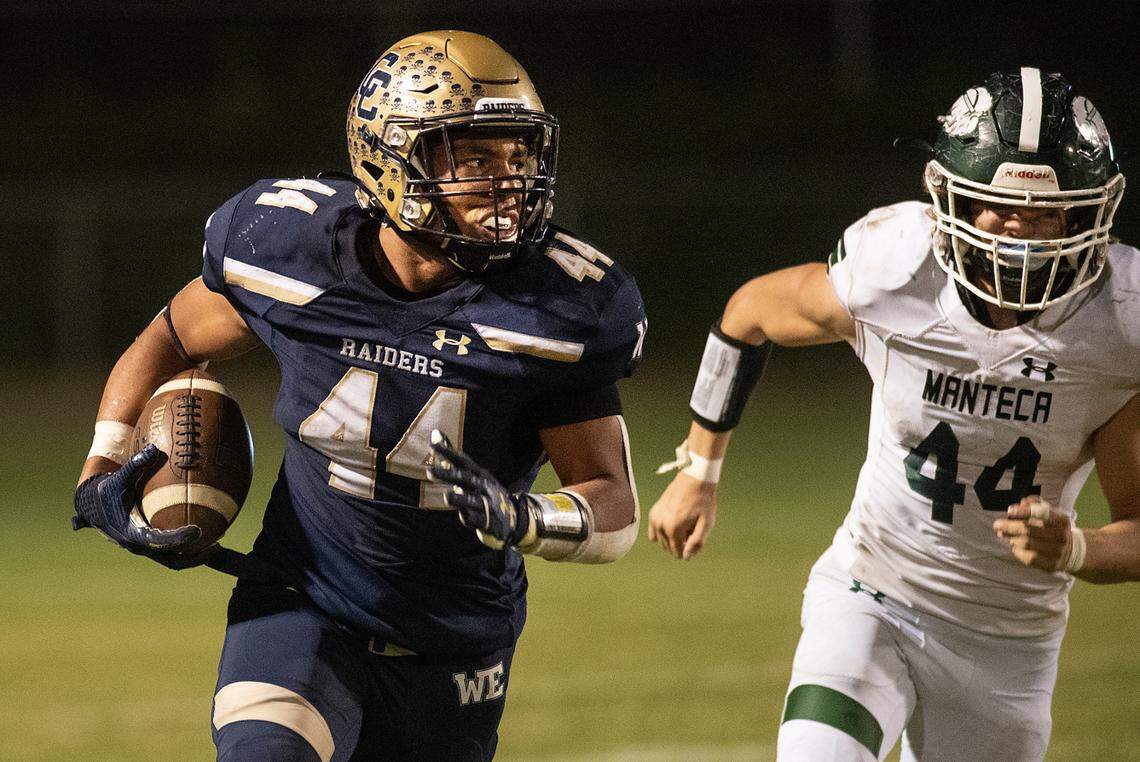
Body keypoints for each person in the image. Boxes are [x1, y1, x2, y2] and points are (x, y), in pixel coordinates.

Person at [72, 30, 646, 761]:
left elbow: (613, 504)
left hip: (457, 644)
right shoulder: (288, 248)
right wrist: (103, 466)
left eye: (518, 154)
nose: (507, 182)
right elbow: (173, 337)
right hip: (299, 606)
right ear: (391, 157)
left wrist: (523, 517)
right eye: (473, 156)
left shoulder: (554, 311)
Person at [648, 67, 1139, 760]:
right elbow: (749, 312)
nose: (1021, 232)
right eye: (999, 206)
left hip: (1006, 642)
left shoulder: (1119, 328)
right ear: (954, 204)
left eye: (1046, 212)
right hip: (870, 590)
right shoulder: (898, 269)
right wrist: (698, 468)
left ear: (1090, 214)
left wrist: (1078, 548)